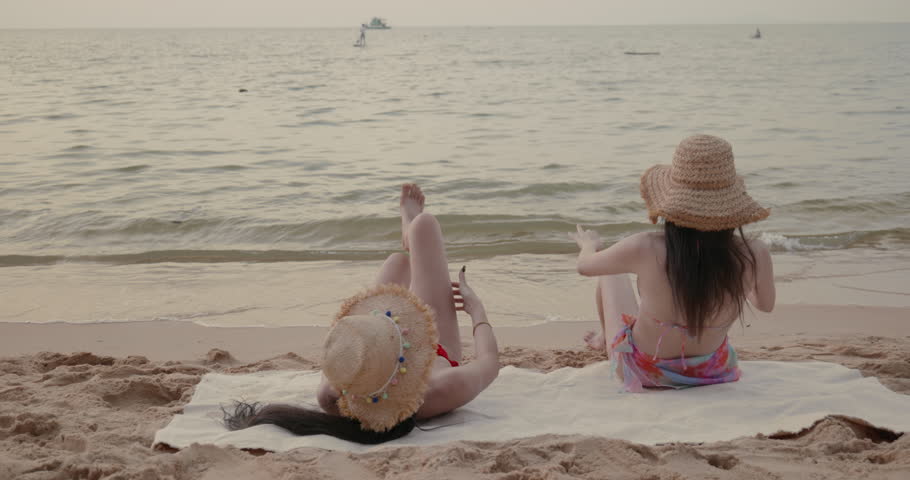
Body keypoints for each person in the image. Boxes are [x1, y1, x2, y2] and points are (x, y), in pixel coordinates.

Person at [223, 184, 499, 443]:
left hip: (383, 337)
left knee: (398, 263)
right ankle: (411, 231)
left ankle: (409, 237)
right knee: (423, 227)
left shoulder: (332, 394)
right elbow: (489, 362)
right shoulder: (436, 389)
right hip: (434, 349)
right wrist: (476, 309)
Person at [570, 135, 775, 392]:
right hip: (713, 371)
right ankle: (605, 336)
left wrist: (589, 244)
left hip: (645, 373)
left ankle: (606, 337)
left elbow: (585, 267)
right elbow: (765, 305)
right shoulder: (754, 252)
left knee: (611, 275)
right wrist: (739, 287)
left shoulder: (646, 246)